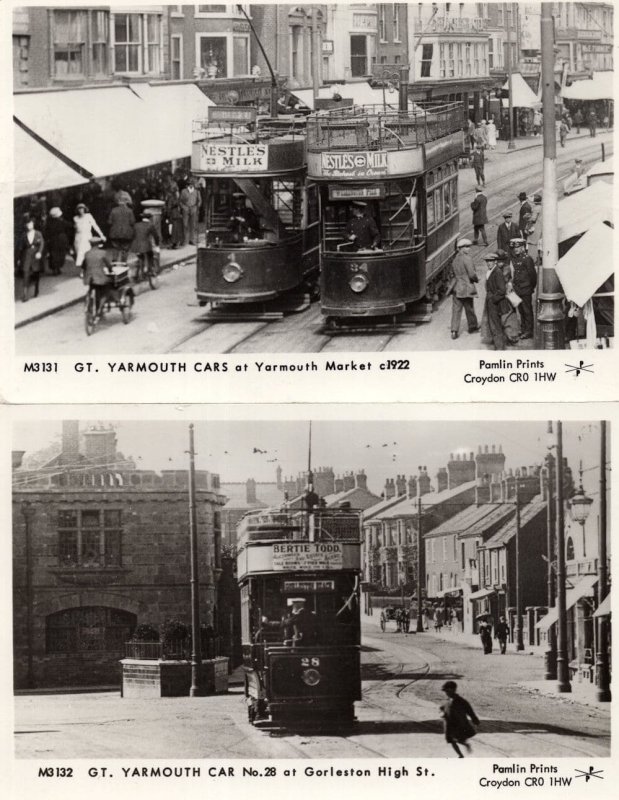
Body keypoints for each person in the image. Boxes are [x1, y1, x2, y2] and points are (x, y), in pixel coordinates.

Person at [439, 681, 480, 758]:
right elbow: (442, 708)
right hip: (448, 724)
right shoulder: (447, 700)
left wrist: (475, 720)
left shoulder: (461, 701)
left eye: (447, 691)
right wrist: (442, 712)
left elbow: (469, 710)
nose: (446, 693)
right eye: (445, 691)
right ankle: (460, 755)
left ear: (453, 690)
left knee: (458, 739)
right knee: (450, 741)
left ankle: (466, 745)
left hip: (458, 724)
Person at [450, 238, 479, 340]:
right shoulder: (467, 259)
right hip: (466, 288)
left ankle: (454, 330)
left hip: (457, 288)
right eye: (466, 247)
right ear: (460, 249)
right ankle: (472, 327)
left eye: (468, 247)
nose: (468, 249)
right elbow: (472, 274)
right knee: (469, 308)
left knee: (456, 310)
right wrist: (476, 279)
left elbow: (453, 274)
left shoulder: (455, 260)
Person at [509, 237, 537, 340]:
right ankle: (523, 329)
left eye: (518, 247)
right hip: (518, 289)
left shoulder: (527, 259)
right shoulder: (514, 259)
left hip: (525, 289)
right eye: (514, 248)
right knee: (521, 311)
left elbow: (533, 276)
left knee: (527, 310)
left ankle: (529, 331)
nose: (516, 249)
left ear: (522, 247)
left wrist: (530, 287)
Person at [483, 252, 511, 351]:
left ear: (495, 261)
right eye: (487, 261)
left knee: (495, 325)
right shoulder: (490, 271)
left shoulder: (497, 272)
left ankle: (499, 347)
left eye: (490, 261)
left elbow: (502, 290)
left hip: (495, 303)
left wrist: (493, 299)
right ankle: (498, 344)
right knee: (493, 324)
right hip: (491, 302)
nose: (488, 263)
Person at [82, 237, 114, 313]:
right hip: (100, 277)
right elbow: (109, 265)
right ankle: (99, 308)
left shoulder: (87, 254)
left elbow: (84, 266)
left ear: (90, 244)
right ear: (99, 244)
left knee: (91, 289)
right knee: (106, 292)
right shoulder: (103, 253)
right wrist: (110, 270)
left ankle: (88, 301)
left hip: (89, 278)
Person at [17, 215, 45, 302]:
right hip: (27, 256)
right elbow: (20, 247)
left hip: (36, 256)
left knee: (36, 273)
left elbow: (42, 243)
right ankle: (25, 294)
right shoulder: (24, 235)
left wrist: (39, 252)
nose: (29, 225)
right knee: (26, 274)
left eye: (30, 224)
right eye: (27, 224)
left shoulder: (38, 233)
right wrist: (18, 259)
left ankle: (36, 288)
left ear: (33, 224)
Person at [73, 203, 105, 270]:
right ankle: (83, 270)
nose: (81, 210)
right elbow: (75, 229)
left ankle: (88, 269)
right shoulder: (75, 218)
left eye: (82, 208)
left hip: (87, 237)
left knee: (87, 253)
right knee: (80, 254)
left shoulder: (88, 216)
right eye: (79, 209)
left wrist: (101, 235)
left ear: (84, 209)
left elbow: (95, 226)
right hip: (78, 238)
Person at [132, 211, 161, 282]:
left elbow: (132, 235)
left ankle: (136, 275)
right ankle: (149, 270)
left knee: (139, 258)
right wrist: (157, 245)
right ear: (150, 218)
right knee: (150, 256)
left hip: (136, 246)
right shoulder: (150, 225)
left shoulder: (136, 225)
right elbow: (156, 236)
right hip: (146, 246)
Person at [44, 207, 72, 275]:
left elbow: (46, 232)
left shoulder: (49, 222)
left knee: (53, 254)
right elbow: (69, 225)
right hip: (61, 239)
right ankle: (58, 268)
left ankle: (55, 269)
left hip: (52, 240)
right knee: (61, 254)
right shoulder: (61, 221)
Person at [107, 197, 135, 263]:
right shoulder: (129, 211)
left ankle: (115, 262)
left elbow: (109, 222)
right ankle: (123, 262)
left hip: (115, 233)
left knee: (115, 248)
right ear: (126, 202)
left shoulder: (113, 210)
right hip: (127, 233)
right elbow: (132, 222)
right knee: (125, 248)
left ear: (118, 202)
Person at [180, 178, 202, 245]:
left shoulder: (196, 192)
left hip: (193, 209)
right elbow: (180, 201)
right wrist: (184, 207)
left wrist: (196, 207)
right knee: (185, 224)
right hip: (186, 209)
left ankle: (191, 240)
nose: (191, 185)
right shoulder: (183, 191)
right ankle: (185, 240)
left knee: (193, 225)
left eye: (192, 184)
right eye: (190, 183)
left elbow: (200, 201)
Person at [527, 194, 543, 261]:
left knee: (532, 243)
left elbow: (533, 219)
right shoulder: (541, 207)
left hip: (536, 228)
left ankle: (533, 259)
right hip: (541, 227)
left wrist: (527, 218)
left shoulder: (535, 208)